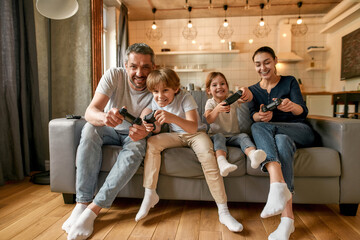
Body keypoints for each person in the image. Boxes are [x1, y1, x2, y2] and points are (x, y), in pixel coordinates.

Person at [63, 43, 155, 240]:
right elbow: (91, 111)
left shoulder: (158, 83)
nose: (140, 73)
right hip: (111, 128)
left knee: (137, 147)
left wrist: (144, 130)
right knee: (90, 128)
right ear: (125, 65)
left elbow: (151, 118)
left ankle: (93, 211)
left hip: (134, 133)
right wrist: (105, 118)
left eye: (145, 67)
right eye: (134, 66)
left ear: (153, 67)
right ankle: (82, 203)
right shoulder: (114, 75)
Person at [135, 68, 243, 232]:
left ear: (175, 89)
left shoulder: (185, 97)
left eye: (165, 90)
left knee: (208, 156)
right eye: (155, 91)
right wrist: (151, 126)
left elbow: (192, 126)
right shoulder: (155, 101)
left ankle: (223, 211)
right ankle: (150, 194)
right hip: (176, 136)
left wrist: (171, 118)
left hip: (195, 134)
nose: (159, 95)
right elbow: (158, 128)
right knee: (152, 142)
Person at [248, 46, 315, 240]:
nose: (263, 68)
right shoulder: (253, 90)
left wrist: (292, 106)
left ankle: (276, 186)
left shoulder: (289, 81)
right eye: (258, 64)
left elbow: (302, 111)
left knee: (257, 128)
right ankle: (287, 220)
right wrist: (259, 115)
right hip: (279, 136)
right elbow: (253, 113)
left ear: (275, 61)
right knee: (279, 139)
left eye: (267, 62)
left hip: (299, 131)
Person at [203, 72, 267, 176]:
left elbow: (246, 98)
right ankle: (222, 163)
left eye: (222, 84)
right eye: (214, 85)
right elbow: (209, 119)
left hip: (233, 135)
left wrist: (243, 91)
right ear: (209, 91)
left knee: (243, 136)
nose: (219, 87)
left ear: (227, 87)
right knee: (219, 137)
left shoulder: (232, 100)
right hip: (217, 135)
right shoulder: (210, 103)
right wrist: (217, 109)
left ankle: (253, 155)